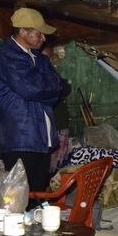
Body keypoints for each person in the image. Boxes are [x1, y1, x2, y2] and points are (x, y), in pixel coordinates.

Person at [0, 7, 64, 192]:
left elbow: (58, 87)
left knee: (37, 196)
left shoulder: (40, 59)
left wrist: (43, 89)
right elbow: (30, 89)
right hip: (21, 138)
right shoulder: (6, 55)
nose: (43, 38)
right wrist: (45, 89)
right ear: (23, 31)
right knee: (20, 200)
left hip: (41, 140)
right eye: (39, 33)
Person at [41, 36, 72, 174]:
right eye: (45, 58)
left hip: (59, 126)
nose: (48, 62)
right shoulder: (37, 76)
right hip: (50, 128)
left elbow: (65, 87)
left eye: (50, 58)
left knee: (56, 168)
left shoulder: (50, 73)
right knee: (47, 168)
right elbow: (61, 88)